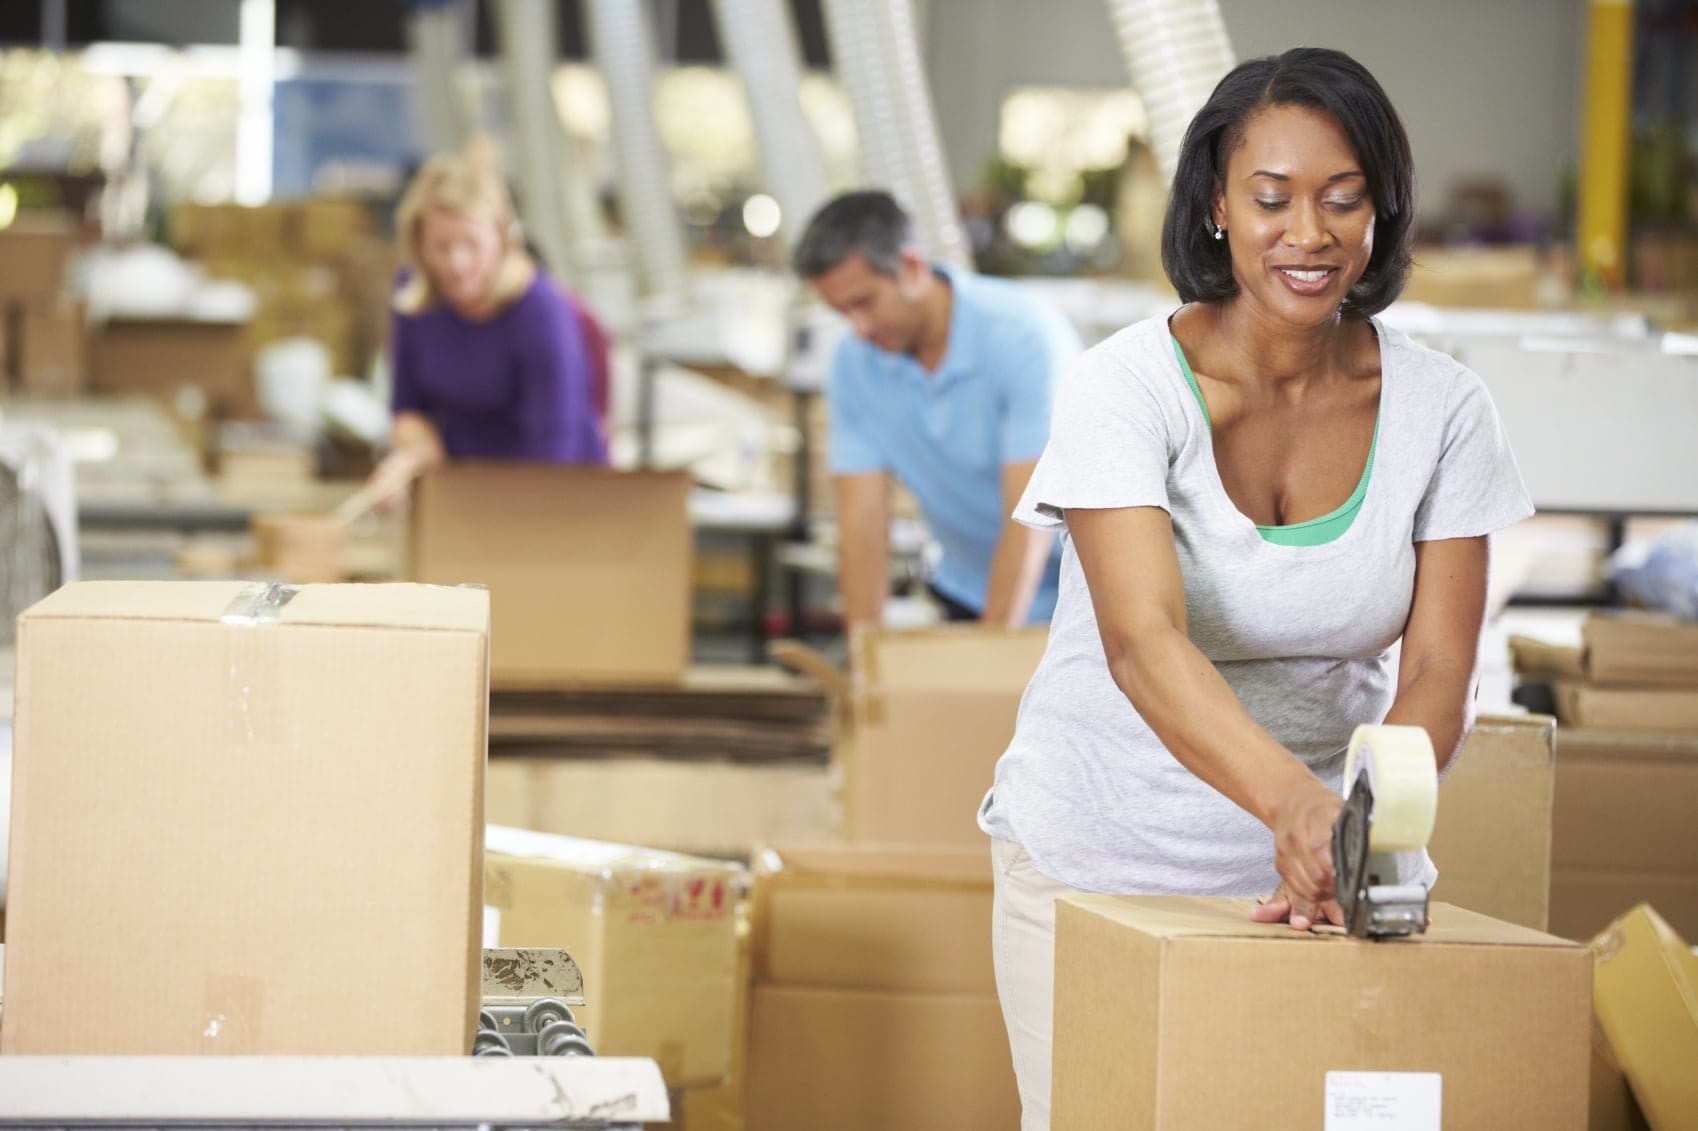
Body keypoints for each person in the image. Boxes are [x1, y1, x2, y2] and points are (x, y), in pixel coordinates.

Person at [976, 48, 1532, 1129]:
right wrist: (1293, 805)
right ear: (1217, 209)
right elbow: (1143, 642)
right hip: (1094, 863)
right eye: (1272, 199)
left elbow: (1438, 671)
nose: (1308, 234)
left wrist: (1359, 838)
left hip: (1312, 891)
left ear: (1382, 209)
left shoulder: (1445, 412)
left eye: (1342, 199)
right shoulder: (1123, 389)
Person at [793, 191, 1081, 628]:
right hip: (970, 586)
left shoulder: (1022, 336)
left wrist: (988, 653)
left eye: (864, 302)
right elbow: (862, 525)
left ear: (910, 268)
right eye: (841, 312)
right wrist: (863, 660)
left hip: (1084, 594)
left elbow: (1030, 520)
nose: (858, 328)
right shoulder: (854, 364)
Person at [365, 153, 608, 508]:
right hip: (462, 489)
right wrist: (411, 458)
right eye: (440, 247)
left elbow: (554, 453)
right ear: (418, 244)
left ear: (501, 238)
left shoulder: (541, 311)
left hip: (550, 497)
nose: (456, 263)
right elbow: (407, 405)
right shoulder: (413, 296)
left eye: (471, 245)